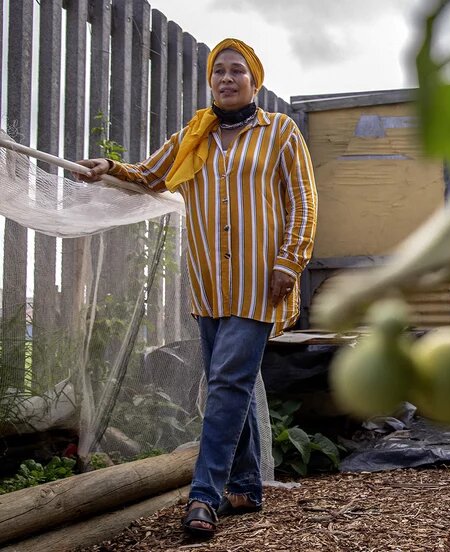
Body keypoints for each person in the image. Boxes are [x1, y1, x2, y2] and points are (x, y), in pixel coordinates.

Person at [77, 38, 317, 539]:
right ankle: (248, 486)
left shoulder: (281, 134)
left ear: (255, 81)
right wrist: (109, 169)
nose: (226, 80)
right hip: (208, 282)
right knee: (234, 384)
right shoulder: (195, 136)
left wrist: (289, 261)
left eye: (237, 72)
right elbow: (150, 175)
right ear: (211, 81)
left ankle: (204, 495)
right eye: (219, 73)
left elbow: (303, 203)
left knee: (226, 384)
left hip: (258, 283)